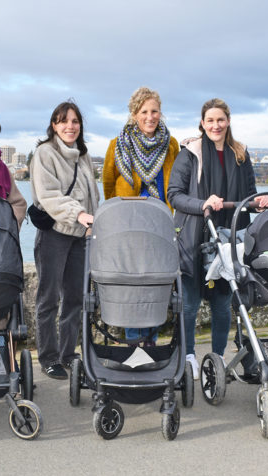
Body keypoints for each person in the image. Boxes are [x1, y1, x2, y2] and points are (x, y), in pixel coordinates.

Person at [168, 98, 268, 380]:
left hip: (229, 237)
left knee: (222, 303)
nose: (216, 125)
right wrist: (203, 203)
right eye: (210, 120)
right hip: (193, 236)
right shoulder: (190, 153)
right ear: (202, 123)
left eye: (221, 120)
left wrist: (258, 202)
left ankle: (217, 358)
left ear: (228, 121)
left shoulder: (240, 153)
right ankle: (189, 356)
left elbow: (249, 194)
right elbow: (174, 194)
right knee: (189, 304)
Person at [102, 87, 180, 345]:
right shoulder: (117, 145)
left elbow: (177, 183)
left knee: (155, 285)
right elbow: (109, 187)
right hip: (128, 226)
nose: (150, 116)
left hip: (159, 226)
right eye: (144, 111)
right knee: (131, 286)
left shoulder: (171, 145)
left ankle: (151, 342)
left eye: (154, 111)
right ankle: (134, 344)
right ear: (134, 114)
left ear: (161, 113)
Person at [29, 101, 99, 380]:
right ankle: (48, 356)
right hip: (55, 235)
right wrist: (79, 213)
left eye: (74, 121)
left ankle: (68, 353)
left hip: (81, 235)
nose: (69, 126)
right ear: (54, 126)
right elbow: (48, 195)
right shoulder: (44, 153)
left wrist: (94, 219)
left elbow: (92, 192)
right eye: (63, 121)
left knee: (75, 297)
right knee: (48, 299)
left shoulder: (82, 155)